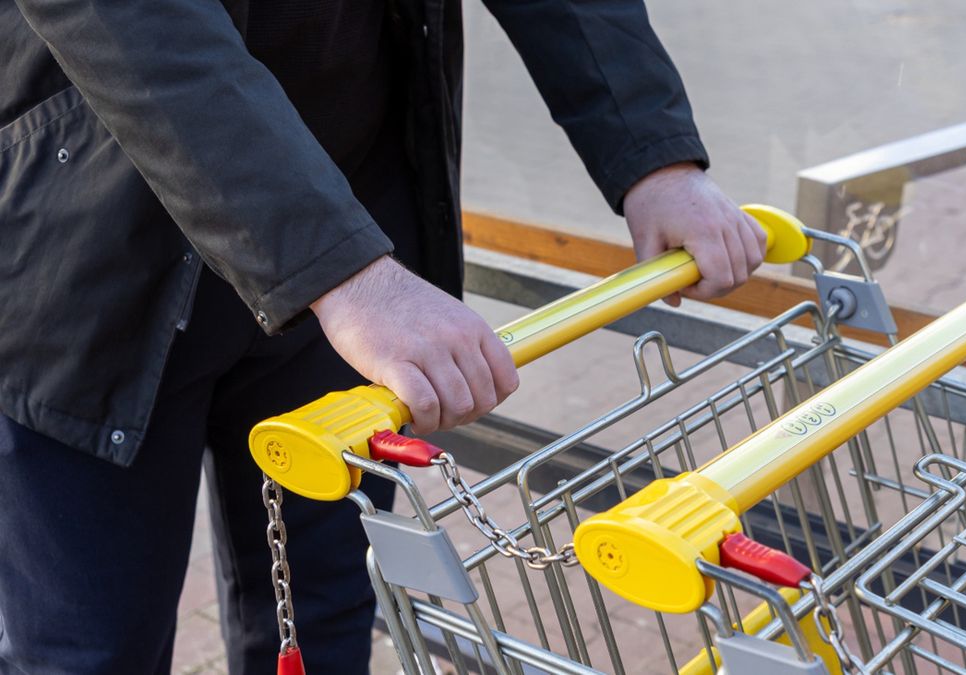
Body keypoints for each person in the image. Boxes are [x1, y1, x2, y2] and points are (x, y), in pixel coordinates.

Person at [0, 0, 766, 672]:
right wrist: (341, 270)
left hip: (347, 226)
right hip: (90, 259)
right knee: (91, 647)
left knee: (319, 613)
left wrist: (653, 153)